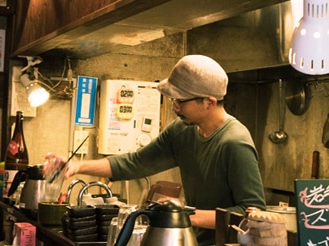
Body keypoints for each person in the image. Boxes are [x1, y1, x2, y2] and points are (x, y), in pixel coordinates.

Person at [45, 55, 266, 245]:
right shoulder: (182, 131)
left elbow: (253, 213)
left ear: (209, 102)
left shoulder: (235, 143)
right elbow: (135, 162)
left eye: (180, 100)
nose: (174, 107)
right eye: (172, 99)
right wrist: (76, 166)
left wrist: (184, 214)